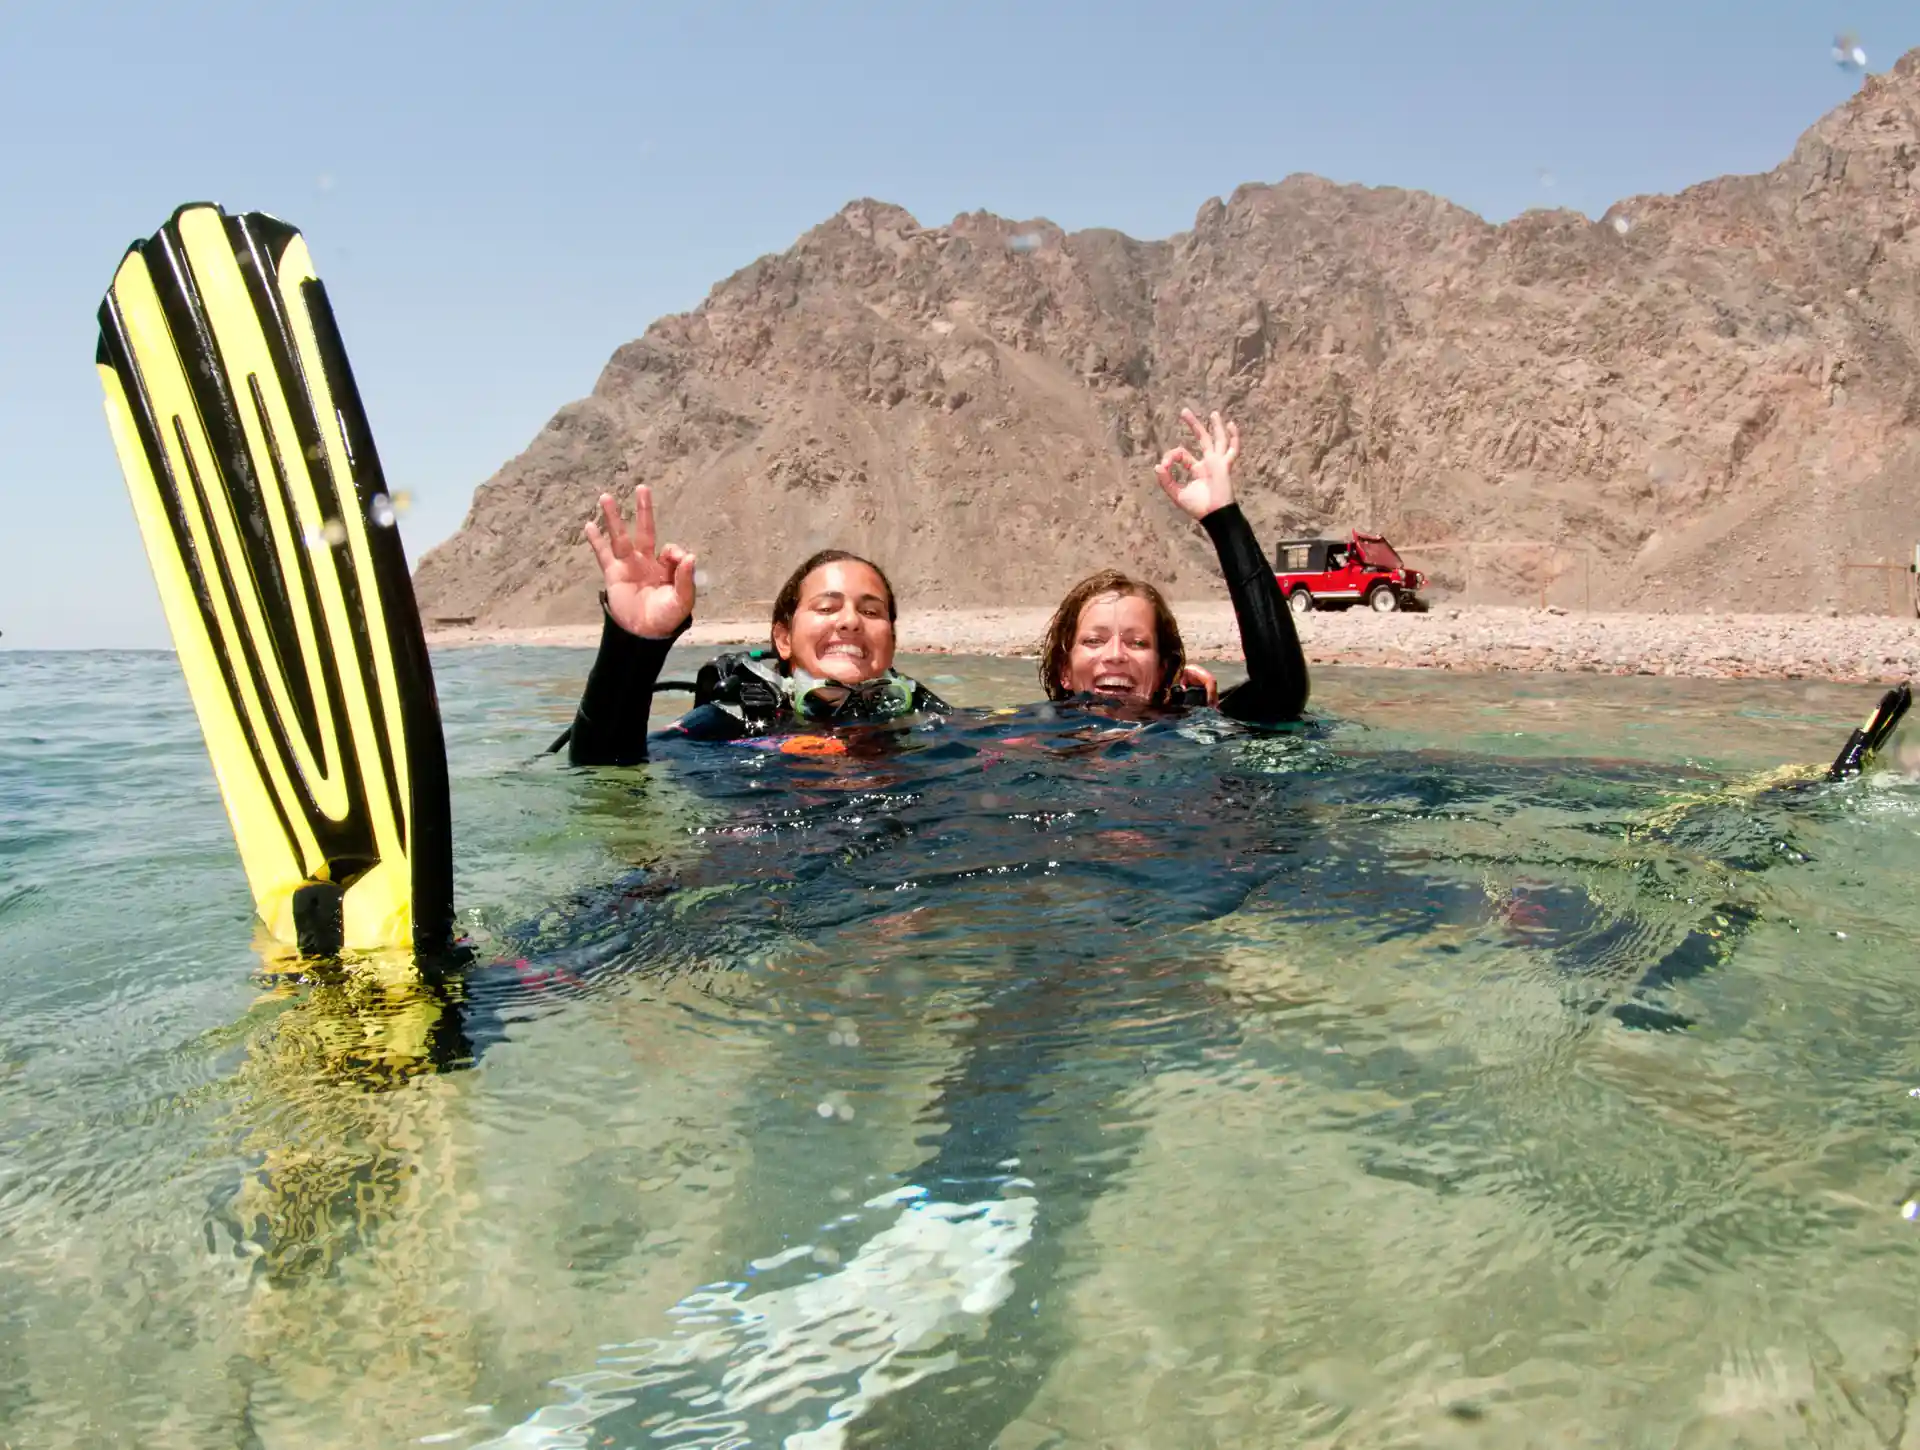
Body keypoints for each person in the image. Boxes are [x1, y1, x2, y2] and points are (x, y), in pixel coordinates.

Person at [564, 486, 948, 766]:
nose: (849, 621)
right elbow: (605, 766)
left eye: (871, 612)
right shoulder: (739, 718)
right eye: (826, 607)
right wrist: (634, 642)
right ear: (784, 638)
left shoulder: (920, 712)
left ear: (892, 640)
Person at [1040, 407, 1309, 725]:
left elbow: (1281, 692)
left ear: (1162, 671)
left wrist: (1223, 518)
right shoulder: (1025, 733)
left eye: (1137, 643)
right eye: (1093, 641)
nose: (1115, 655)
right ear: (1064, 671)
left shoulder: (1186, 726)